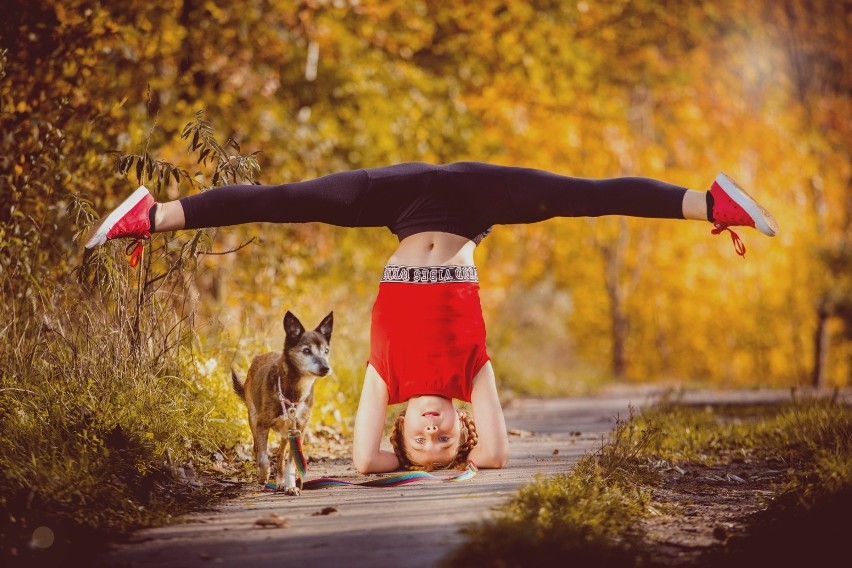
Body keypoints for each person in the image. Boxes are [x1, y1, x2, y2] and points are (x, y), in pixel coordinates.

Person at [83, 161, 778, 472]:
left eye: (422, 441)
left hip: (395, 198)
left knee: (284, 198)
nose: (432, 429)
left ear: (403, 430)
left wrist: (403, 467)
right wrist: (461, 459)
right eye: (446, 439)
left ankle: (151, 216)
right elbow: (496, 455)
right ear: (462, 429)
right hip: (478, 201)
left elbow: (363, 461)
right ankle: (712, 203)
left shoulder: (386, 376)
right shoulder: (471, 375)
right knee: (585, 195)